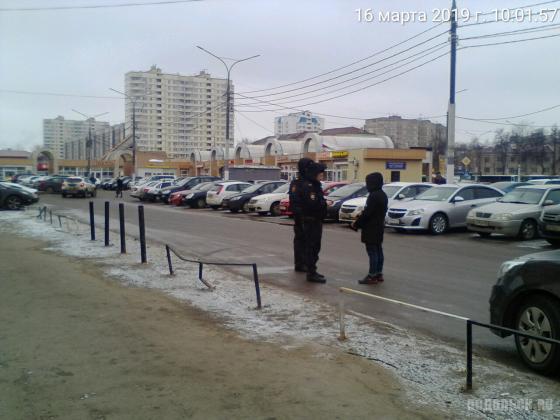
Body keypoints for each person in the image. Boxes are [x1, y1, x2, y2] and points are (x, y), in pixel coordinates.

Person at [293, 161, 327, 283]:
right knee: (309, 246)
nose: (322, 175)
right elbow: (310, 204)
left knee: (314, 247)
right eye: (320, 173)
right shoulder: (307, 186)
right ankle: (310, 271)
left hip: (315, 221)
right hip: (309, 221)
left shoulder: (315, 185)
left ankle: (311, 269)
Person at [351, 172, 388, 285]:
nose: (367, 185)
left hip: (371, 228)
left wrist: (356, 224)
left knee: (372, 252)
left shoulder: (373, 196)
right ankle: (378, 273)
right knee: (378, 250)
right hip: (379, 227)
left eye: (368, 183)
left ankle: (372, 276)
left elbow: (367, 214)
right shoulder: (382, 194)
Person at [290, 157, 314, 273]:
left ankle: (306, 262)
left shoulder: (309, 182)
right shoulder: (297, 183)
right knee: (301, 240)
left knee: (308, 241)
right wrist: (300, 216)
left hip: (309, 217)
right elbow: (294, 201)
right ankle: (300, 263)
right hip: (301, 217)